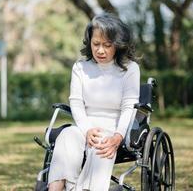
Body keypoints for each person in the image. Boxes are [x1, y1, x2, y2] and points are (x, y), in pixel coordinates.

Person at [48, 12, 140, 191]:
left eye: (107, 45)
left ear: (118, 45)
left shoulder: (131, 69)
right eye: (96, 44)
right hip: (85, 127)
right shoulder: (80, 68)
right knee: (67, 135)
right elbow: (76, 103)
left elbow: (129, 107)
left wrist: (117, 136)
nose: (100, 50)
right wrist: (87, 129)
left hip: (114, 130)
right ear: (89, 42)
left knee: (102, 145)